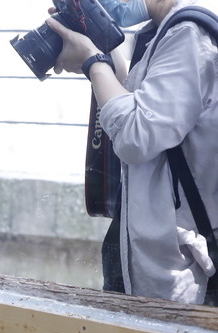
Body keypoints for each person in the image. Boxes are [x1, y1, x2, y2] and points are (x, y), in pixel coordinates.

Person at [48, 0, 218, 305]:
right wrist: (97, 52)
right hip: (147, 247)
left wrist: (91, 61)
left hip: (181, 266)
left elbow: (138, 136)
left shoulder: (188, 34)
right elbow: (143, 108)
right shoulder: (158, 32)